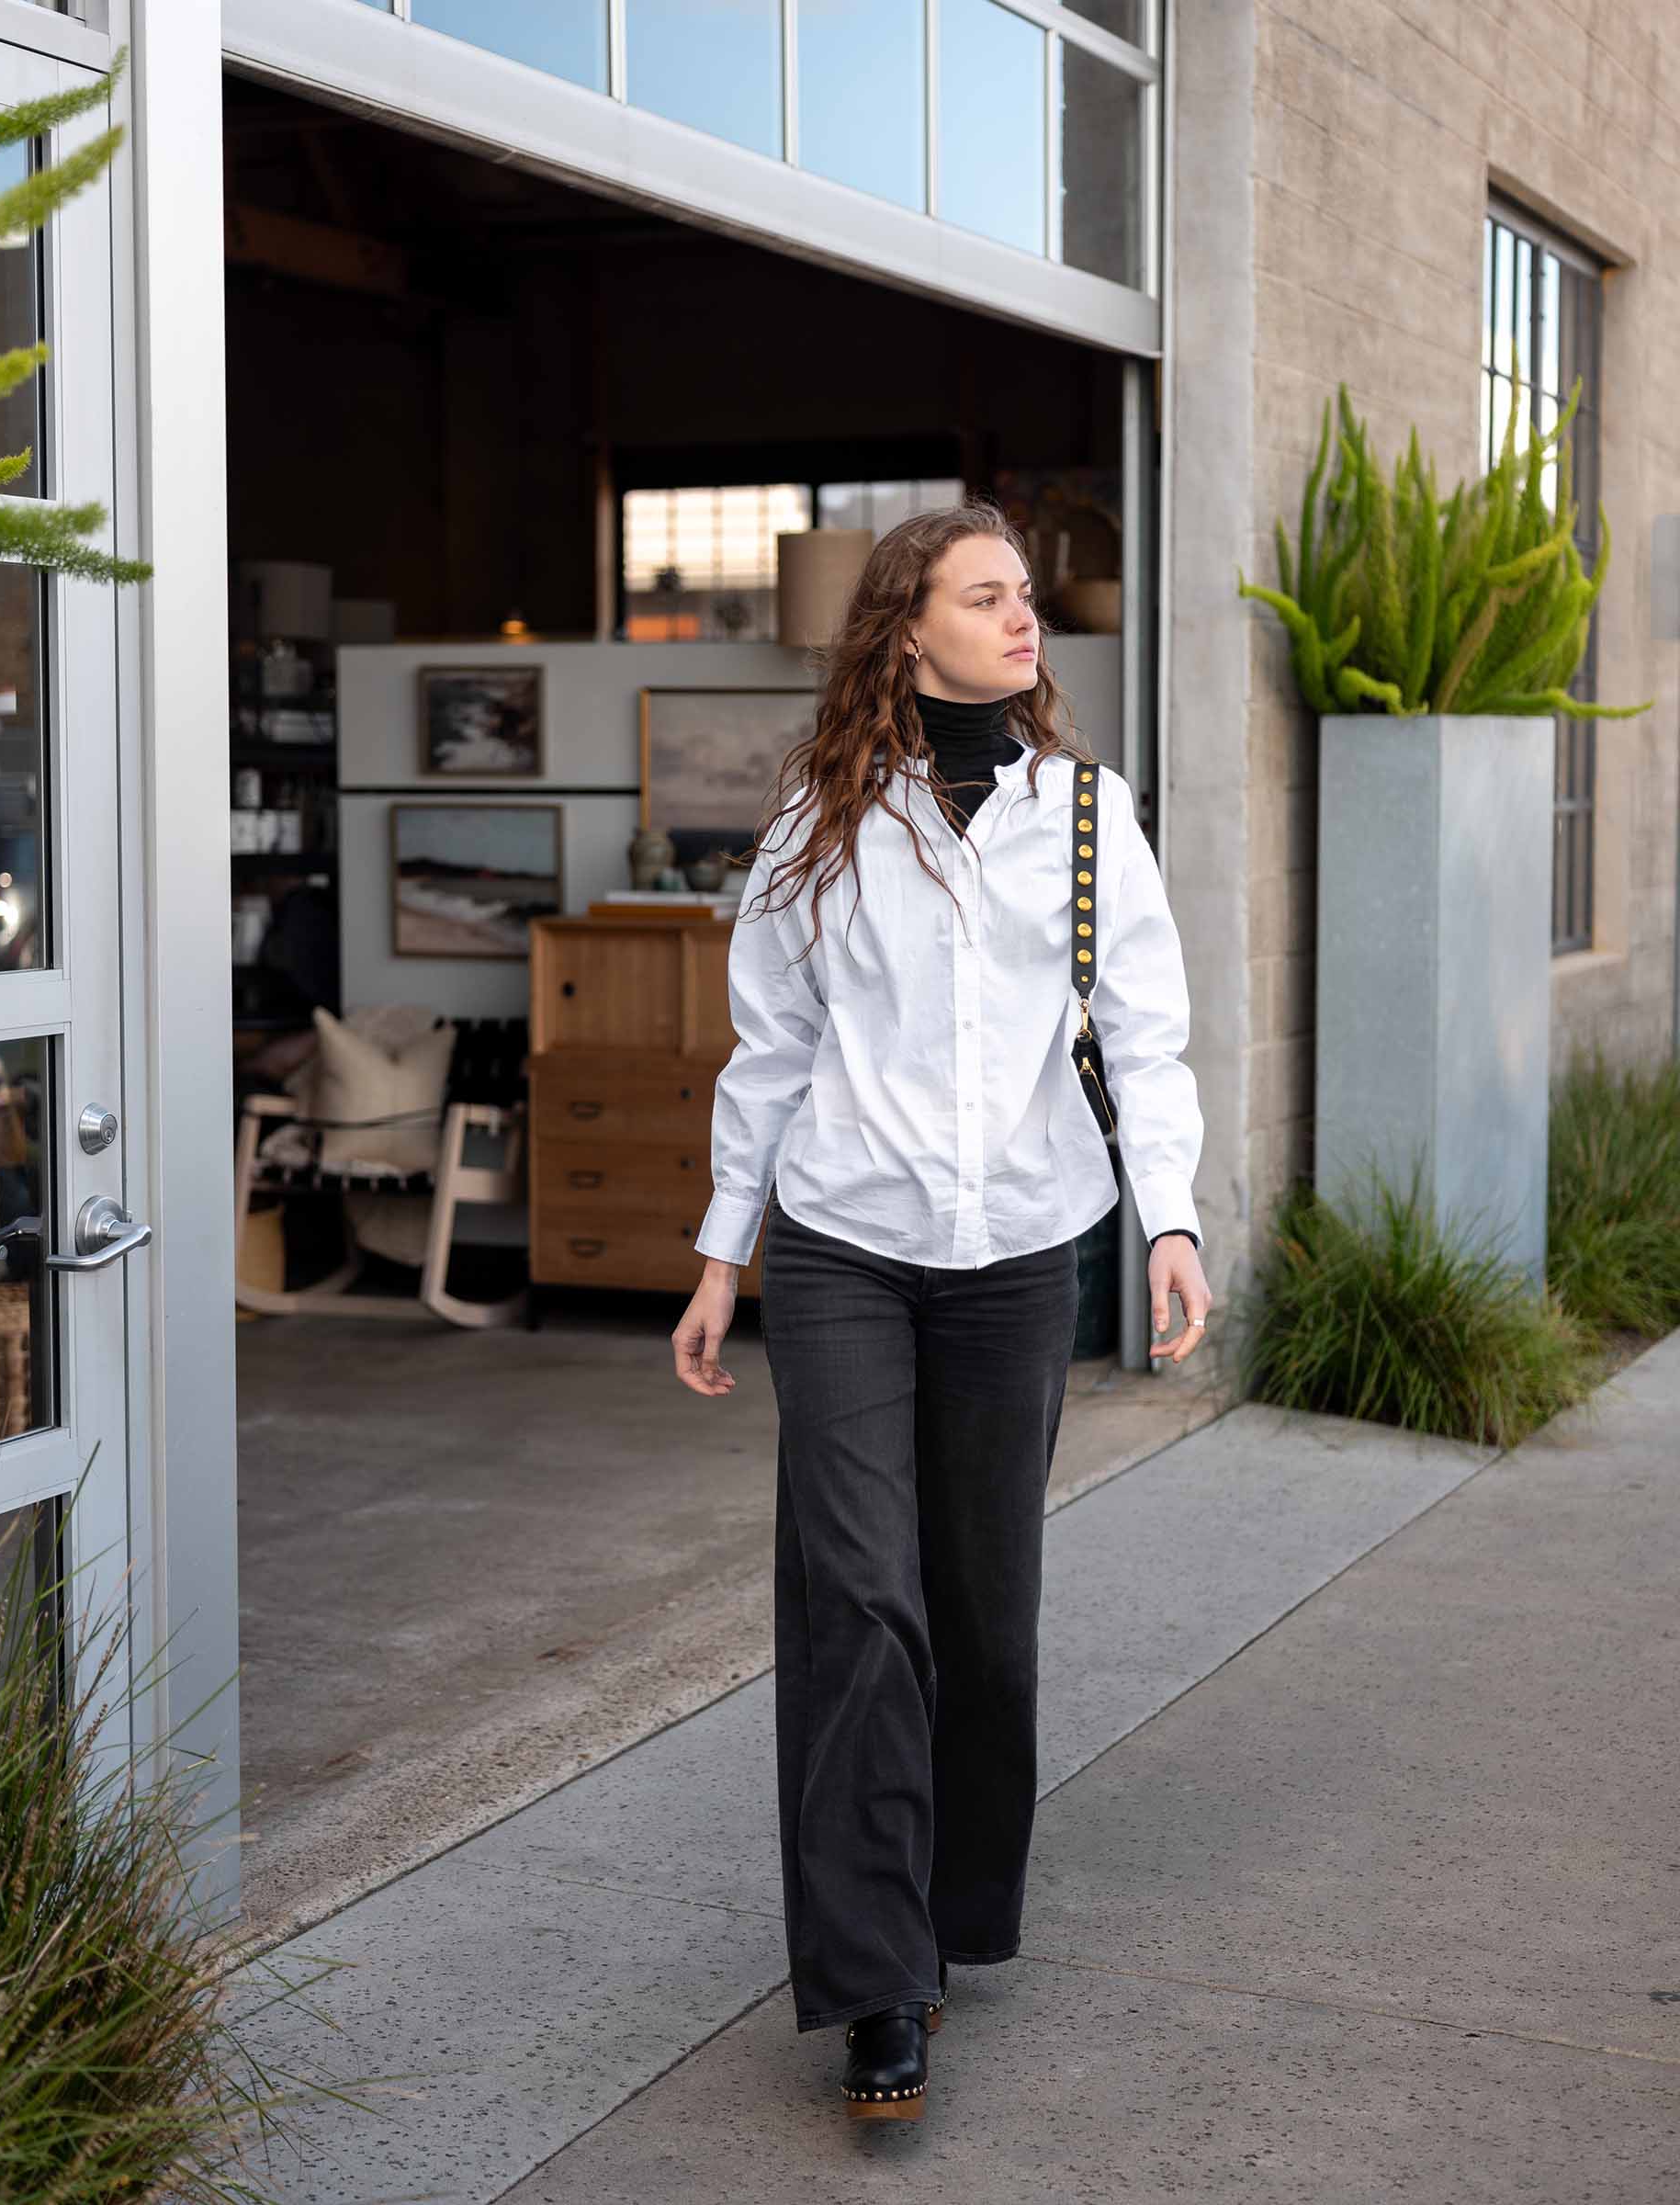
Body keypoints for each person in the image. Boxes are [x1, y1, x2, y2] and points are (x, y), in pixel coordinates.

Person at [671, 497, 1212, 2121]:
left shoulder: (1092, 817)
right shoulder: (819, 822)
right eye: (988, 596)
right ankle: (874, 1984)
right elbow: (769, 1049)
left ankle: (954, 1915)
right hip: (842, 1248)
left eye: (1027, 594)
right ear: (909, 629)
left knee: (984, 1609)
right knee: (862, 1603)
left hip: (1020, 1256)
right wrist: (721, 1251)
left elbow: (1149, 1036)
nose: (1022, 616)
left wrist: (1171, 1221)